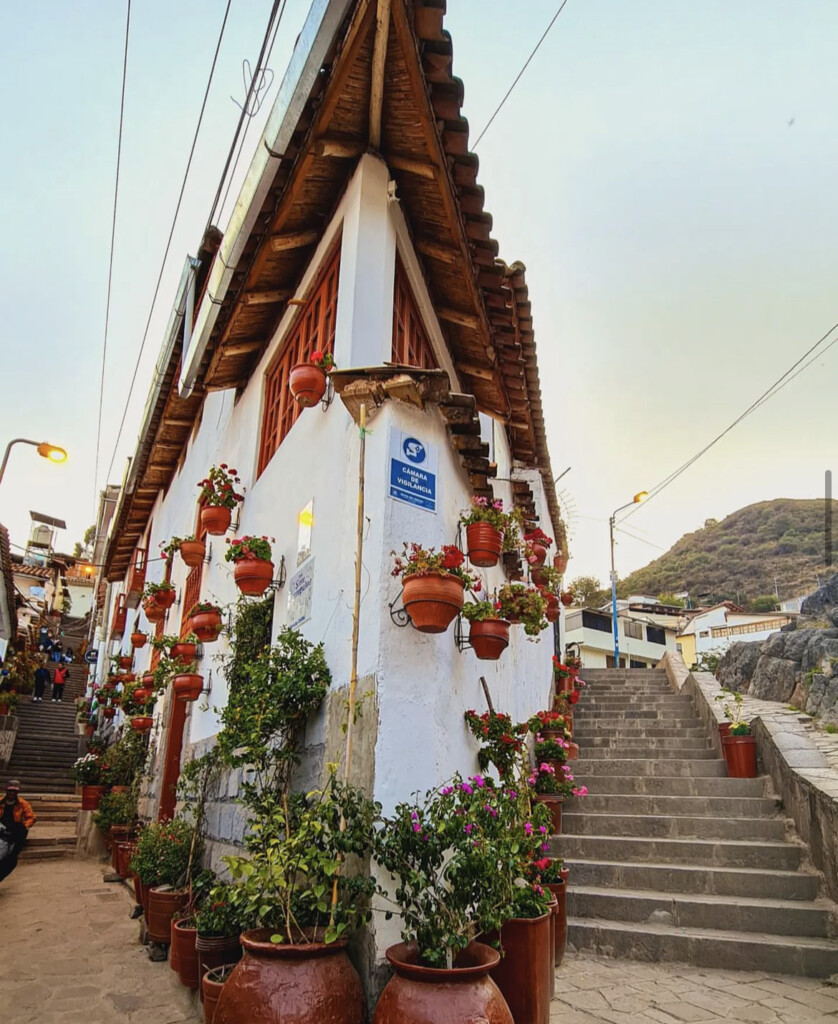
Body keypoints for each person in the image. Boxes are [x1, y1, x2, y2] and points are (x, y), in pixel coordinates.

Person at [0, 780, 36, 883]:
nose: (12, 793)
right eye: (10, 791)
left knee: (10, 858)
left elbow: (31, 817)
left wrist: (24, 826)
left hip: (15, 831)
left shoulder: (23, 803)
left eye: (14, 791)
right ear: (6, 790)